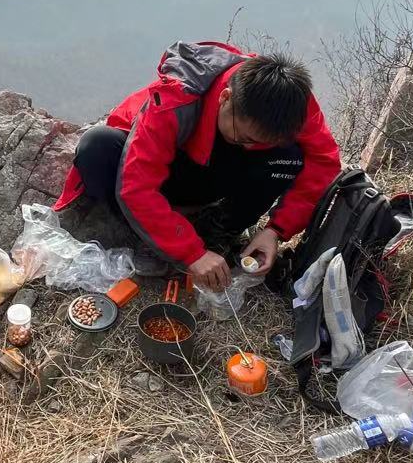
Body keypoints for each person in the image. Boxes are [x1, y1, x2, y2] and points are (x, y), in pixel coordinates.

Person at [53, 41, 343, 292]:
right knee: (97, 147)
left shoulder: (292, 105)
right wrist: (192, 254)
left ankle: (218, 229)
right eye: (244, 136)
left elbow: (324, 161)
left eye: (259, 142)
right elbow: (136, 186)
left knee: (291, 155)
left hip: (214, 173)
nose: (250, 146)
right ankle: (143, 232)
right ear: (225, 97)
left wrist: (276, 231)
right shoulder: (176, 98)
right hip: (169, 170)